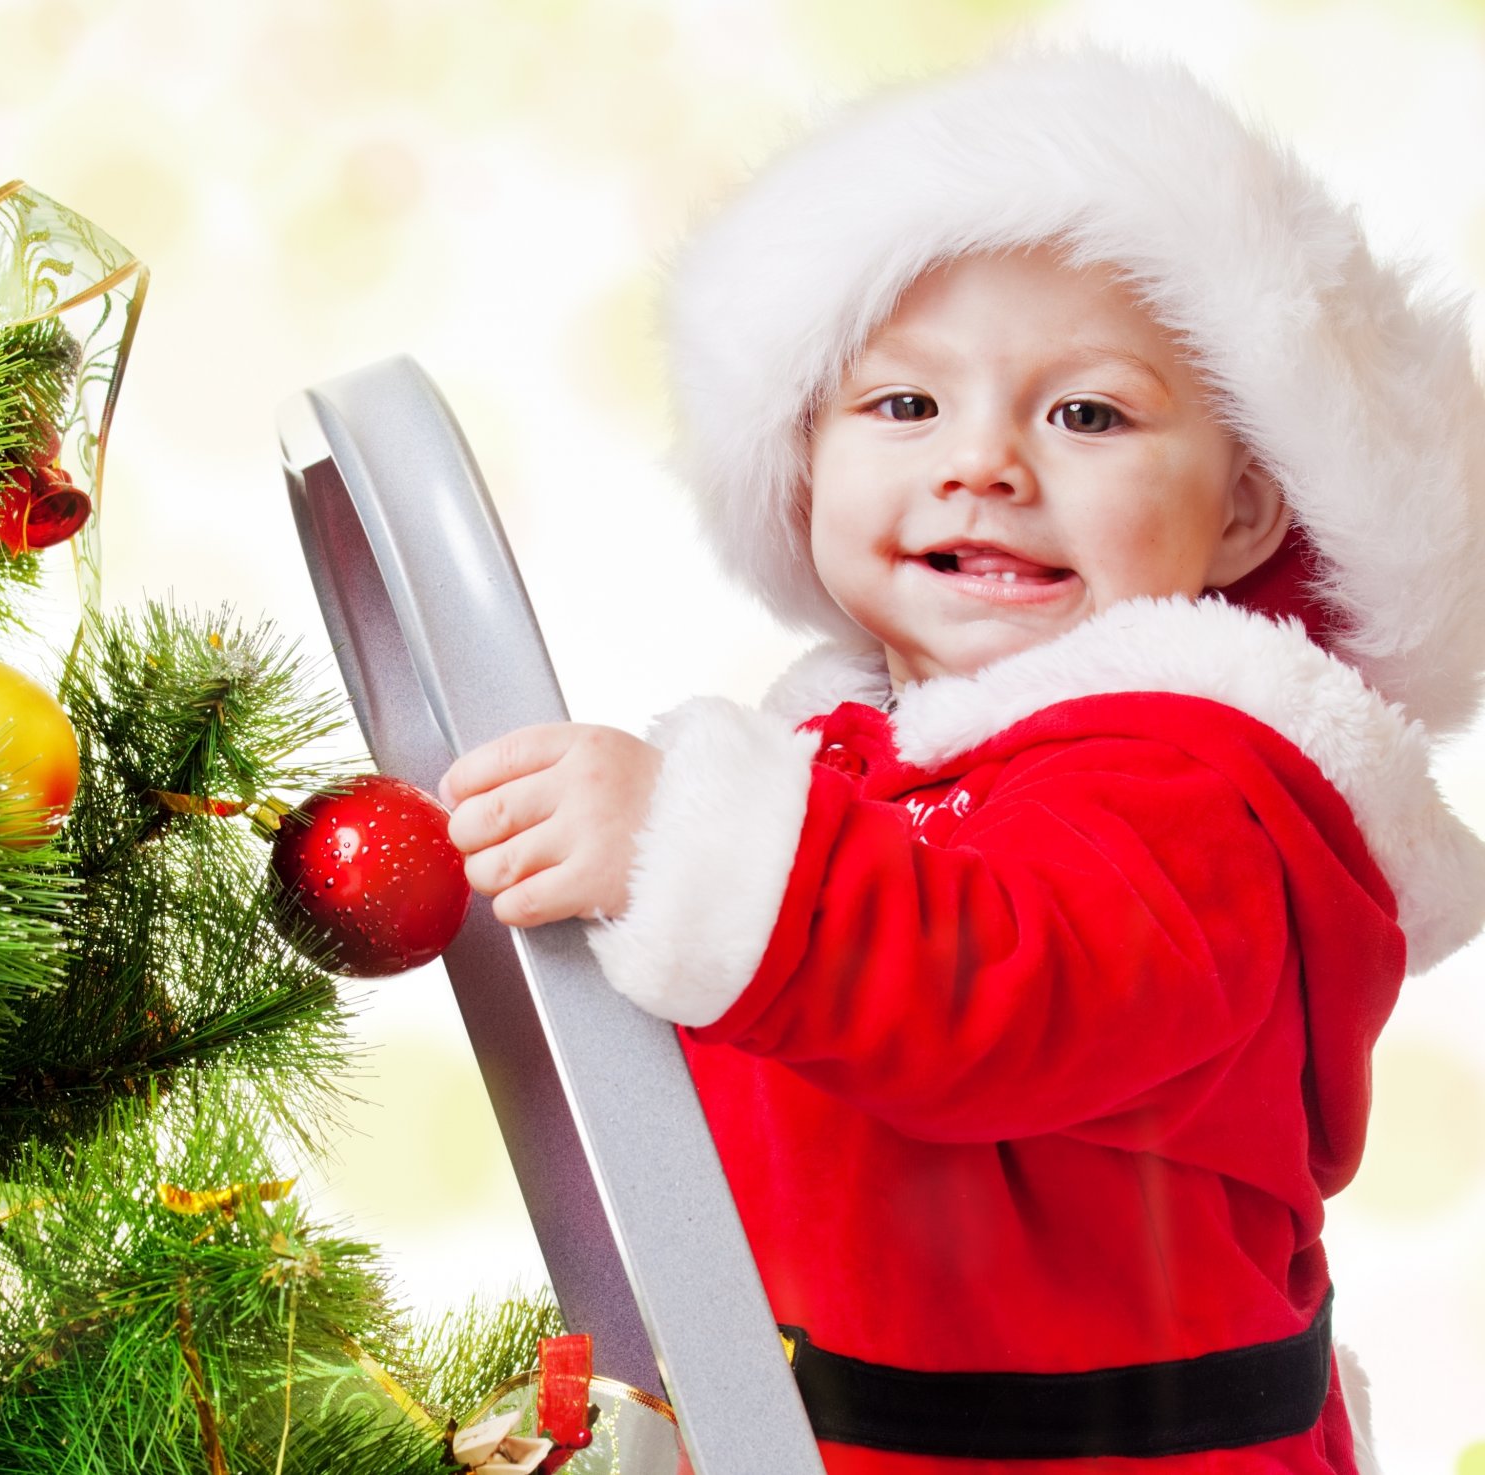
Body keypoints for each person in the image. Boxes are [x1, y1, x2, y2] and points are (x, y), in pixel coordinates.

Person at [436, 44, 1485, 1475]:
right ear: (803, 459)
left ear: (1244, 514)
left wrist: (682, 848)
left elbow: (1002, 982)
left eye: (1089, 414)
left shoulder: (1204, 787)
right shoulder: (855, 763)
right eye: (906, 405)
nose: (984, 462)